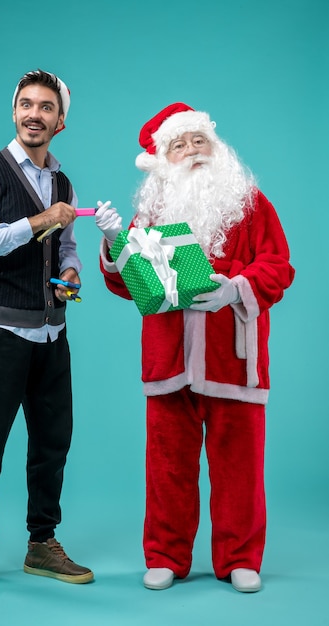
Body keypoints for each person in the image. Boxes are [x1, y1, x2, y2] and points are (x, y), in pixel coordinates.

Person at [95, 102, 294, 592]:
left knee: (239, 469)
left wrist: (236, 288)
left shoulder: (251, 204)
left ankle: (240, 558)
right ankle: (166, 555)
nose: (191, 152)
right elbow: (129, 287)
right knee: (167, 468)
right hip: (169, 360)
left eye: (198, 141)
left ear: (215, 146)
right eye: (179, 145)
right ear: (165, 158)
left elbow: (279, 266)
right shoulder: (151, 214)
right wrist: (115, 244)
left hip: (235, 360)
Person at [0, 69, 93, 597]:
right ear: (14, 111)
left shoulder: (62, 182)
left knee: (52, 443)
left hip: (52, 333)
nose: (33, 114)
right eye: (25, 105)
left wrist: (73, 273)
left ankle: (42, 543)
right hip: (0, 331)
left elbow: (68, 248)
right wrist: (39, 223)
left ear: (62, 120)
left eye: (45, 107)